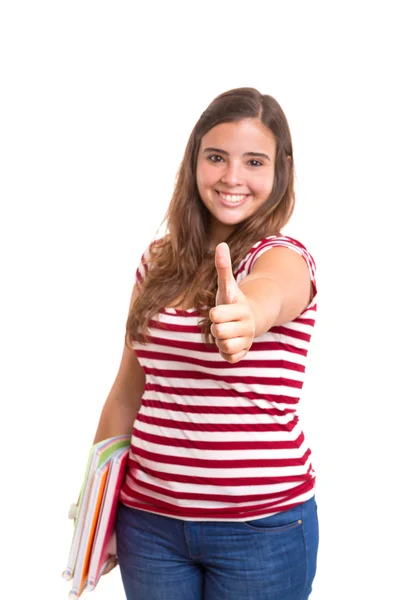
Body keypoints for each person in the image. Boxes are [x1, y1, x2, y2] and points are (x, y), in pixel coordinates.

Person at [93, 87, 319, 600]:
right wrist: (97, 507)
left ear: (280, 171)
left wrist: (248, 314)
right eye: (216, 157)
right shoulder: (158, 262)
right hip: (149, 525)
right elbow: (128, 392)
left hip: (262, 529)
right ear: (194, 161)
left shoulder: (284, 257)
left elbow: (272, 292)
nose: (232, 178)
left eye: (254, 161)